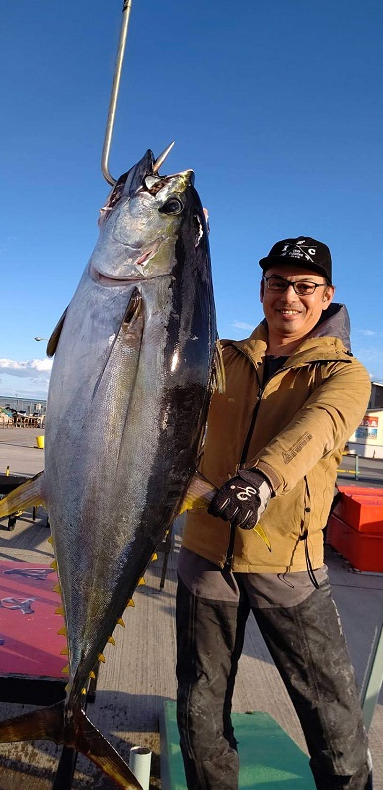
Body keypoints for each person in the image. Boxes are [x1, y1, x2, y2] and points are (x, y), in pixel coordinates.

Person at [176, 236, 372, 790]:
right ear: (262, 289)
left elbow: (320, 426)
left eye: (305, 286)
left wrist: (259, 480)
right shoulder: (220, 359)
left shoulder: (345, 374)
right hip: (206, 558)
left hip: (288, 566)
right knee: (199, 712)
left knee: (333, 723)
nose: (289, 296)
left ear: (327, 295)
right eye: (278, 283)